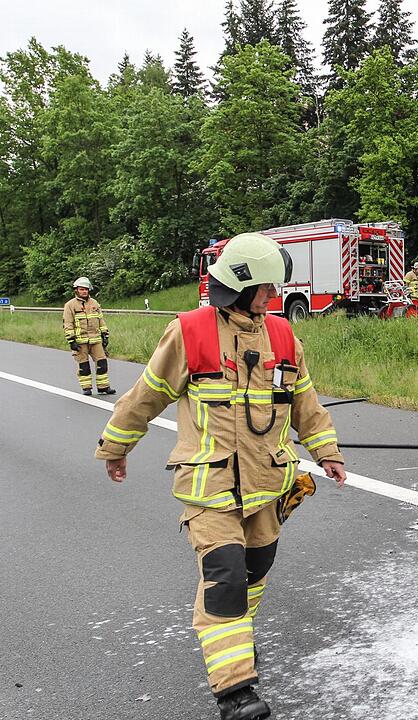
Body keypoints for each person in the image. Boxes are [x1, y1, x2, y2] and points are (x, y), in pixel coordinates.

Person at [94, 233, 348, 720]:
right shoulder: (190, 332)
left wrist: (327, 451)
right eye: (266, 289)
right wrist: (117, 446)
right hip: (209, 488)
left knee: (255, 571)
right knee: (225, 576)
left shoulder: (282, 335)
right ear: (239, 286)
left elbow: (306, 403)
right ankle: (234, 691)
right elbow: (148, 394)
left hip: (268, 484)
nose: (273, 297)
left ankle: (235, 642)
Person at [63, 277, 114, 396]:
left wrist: (105, 335)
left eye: (86, 289)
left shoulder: (94, 303)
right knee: (84, 366)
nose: (84, 291)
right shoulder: (70, 305)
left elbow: (100, 320)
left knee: (102, 363)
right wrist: (71, 340)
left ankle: (103, 387)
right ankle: (86, 388)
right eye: (82, 289)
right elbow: (68, 323)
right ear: (76, 290)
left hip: (96, 340)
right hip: (80, 341)